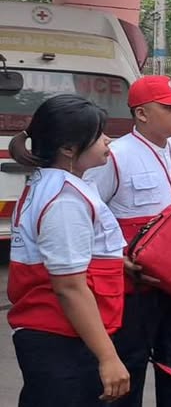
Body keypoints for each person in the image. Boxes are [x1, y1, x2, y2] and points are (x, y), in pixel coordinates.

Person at [84, 76, 171, 407]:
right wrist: (118, 260)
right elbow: (88, 215)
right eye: (169, 107)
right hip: (136, 283)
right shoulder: (115, 155)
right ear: (142, 114)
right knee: (129, 364)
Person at [7, 94, 131, 406]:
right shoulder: (65, 198)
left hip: (55, 337)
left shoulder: (53, 183)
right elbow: (69, 287)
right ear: (68, 149)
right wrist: (108, 357)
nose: (108, 141)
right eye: (98, 136)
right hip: (63, 340)